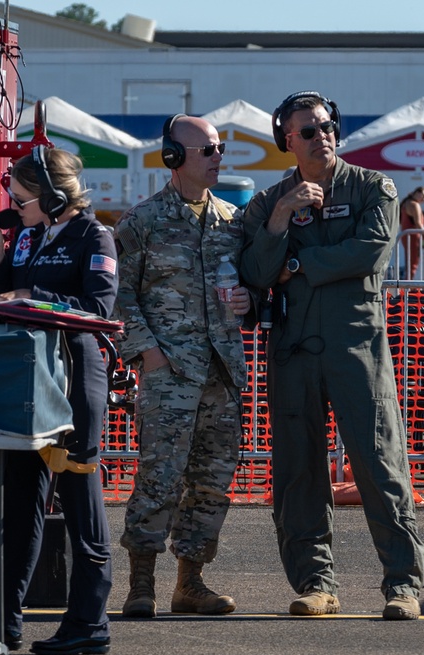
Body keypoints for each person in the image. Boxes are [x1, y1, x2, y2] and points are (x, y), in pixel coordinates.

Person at [239, 91, 424, 621]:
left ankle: (402, 584)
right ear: (287, 141)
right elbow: (253, 271)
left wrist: (294, 266)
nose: (321, 135)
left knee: (378, 463)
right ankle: (316, 583)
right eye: (307, 130)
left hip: (356, 349)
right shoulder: (268, 201)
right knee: (298, 471)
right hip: (293, 350)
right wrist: (281, 217)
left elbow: (370, 249)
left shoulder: (373, 187)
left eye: (326, 126)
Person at [0, 146, 115, 655]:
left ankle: (89, 623)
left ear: (56, 195)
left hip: (73, 380)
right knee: (16, 509)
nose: (14, 205)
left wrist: (33, 299)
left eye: (22, 198)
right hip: (30, 382)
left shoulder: (95, 235)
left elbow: (99, 305)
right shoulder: (30, 235)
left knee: (82, 506)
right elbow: (11, 290)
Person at [112, 114, 254, 619]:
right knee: (159, 477)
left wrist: (246, 300)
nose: (219, 158)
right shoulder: (141, 221)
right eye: (207, 151)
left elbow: (251, 287)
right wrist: (147, 353)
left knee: (212, 480)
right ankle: (141, 584)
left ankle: (190, 583)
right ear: (175, 158)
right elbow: (118, 296)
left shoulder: (231, 222)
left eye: (219, 148)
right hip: (168, 372)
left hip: (222, 372)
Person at [399, 186, 424, 279]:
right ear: (416, 193)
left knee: (409, 262)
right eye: (422, 195)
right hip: (413, 237)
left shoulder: (405, 203)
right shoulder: (415, 205)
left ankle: (408, 285)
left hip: (406, 236)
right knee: (414, 263)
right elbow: (418, 223)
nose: (423, 198)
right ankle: (410, 287)